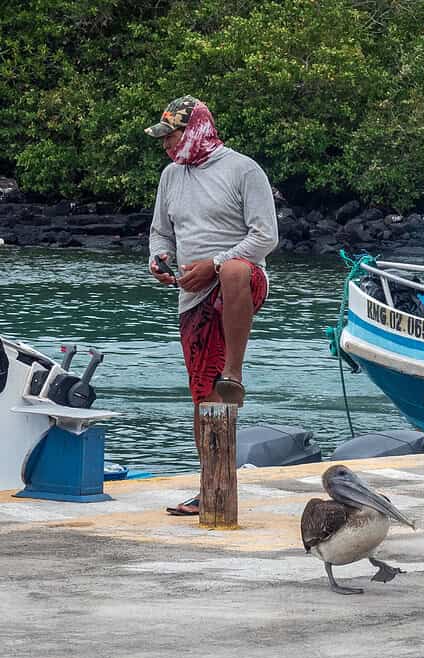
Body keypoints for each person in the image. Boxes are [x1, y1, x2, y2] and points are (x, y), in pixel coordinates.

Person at [146, 95, 279, 515]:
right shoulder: (171, 175)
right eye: (164, 138)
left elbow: (266, 236)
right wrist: (159, 260)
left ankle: (234, 373)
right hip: (193, 295)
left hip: (241, 283)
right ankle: (210, 485)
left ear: (198, 127)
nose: (167, 144)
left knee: (235, 270)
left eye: (172, 134)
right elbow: (160, 234)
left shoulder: (243, 169)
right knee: (203, 397)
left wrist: (216, 264)